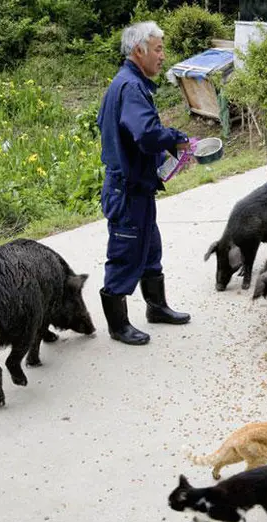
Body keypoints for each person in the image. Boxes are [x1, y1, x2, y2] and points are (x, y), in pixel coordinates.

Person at [96, 21, 191, 346]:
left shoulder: (126, 83)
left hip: (138, 189)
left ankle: (157, 307)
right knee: (125, 253)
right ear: (139, 51)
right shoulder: (131, 87)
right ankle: (118, 326)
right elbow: (147, 133)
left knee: (150, 249)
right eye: (159, 49)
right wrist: (177, 140)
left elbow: (121, 129)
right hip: (127, 191)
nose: (163, 56)